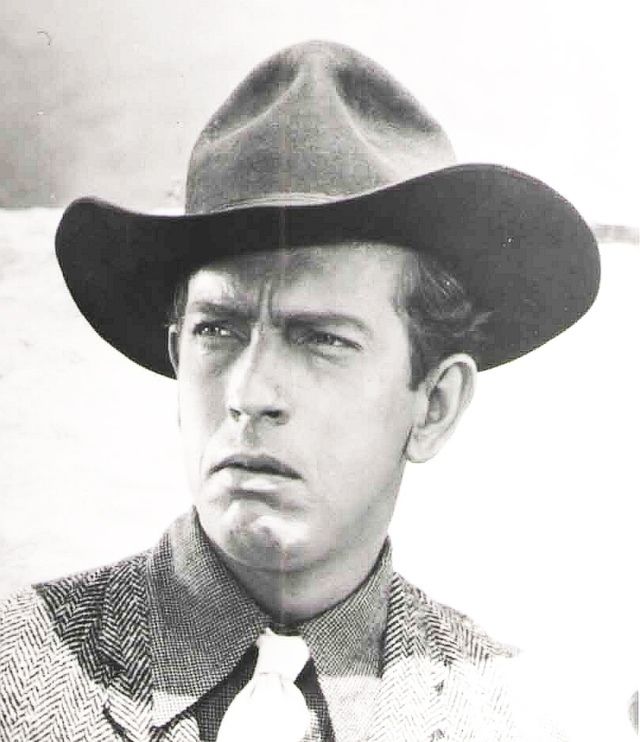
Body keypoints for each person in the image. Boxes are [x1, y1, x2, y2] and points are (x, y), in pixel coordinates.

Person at [0, 40, 599, 742]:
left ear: (434, 405)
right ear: (177, 357)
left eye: (322, 338)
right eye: (217, 330)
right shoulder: (18, 672)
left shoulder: (523, 721)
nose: (249, 392)